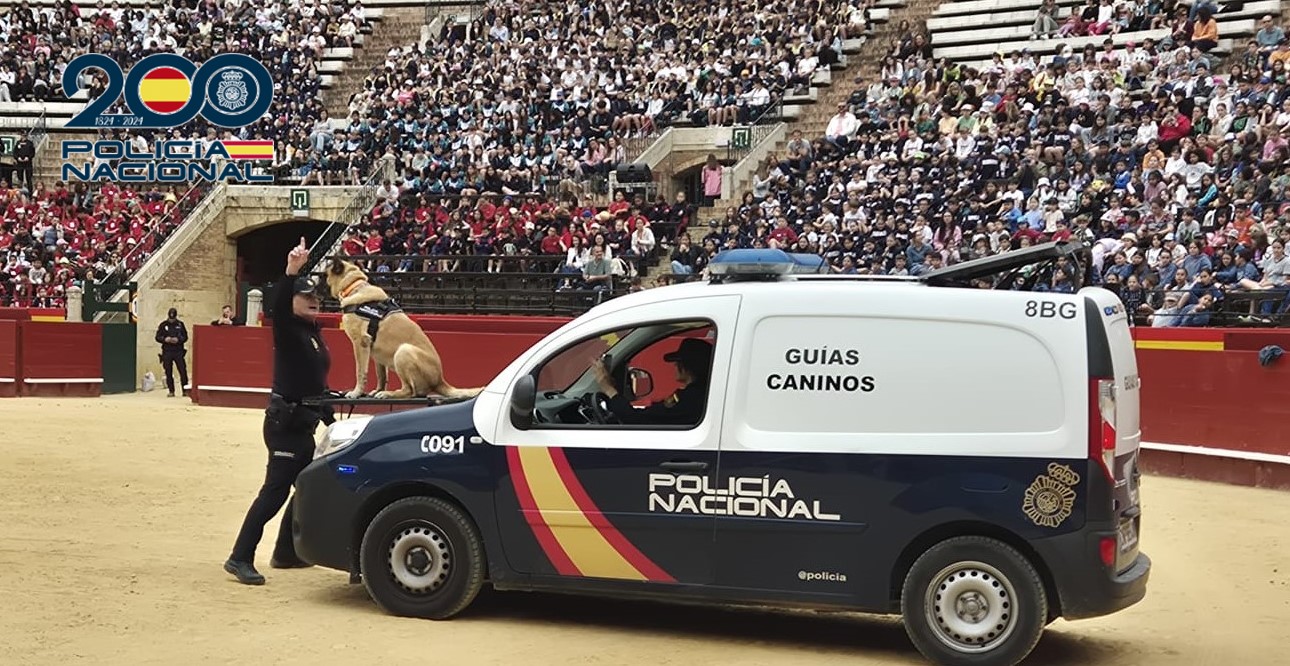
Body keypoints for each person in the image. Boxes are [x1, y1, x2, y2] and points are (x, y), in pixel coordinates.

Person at [225, 238, 335, 586]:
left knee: (306, 486)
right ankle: (239, 557)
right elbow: (278, 306)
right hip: (285, 425)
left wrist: (331, 417)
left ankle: (285, 552)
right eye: (306, 296)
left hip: (304, 423)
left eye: (316, 296)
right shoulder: (287, 329)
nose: (314, 300)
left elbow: (314, 383)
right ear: (291, 301)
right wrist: (290, 272)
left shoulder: (312, 333)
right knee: (275, 492)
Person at [592, 337, 713, 425]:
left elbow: (635, 419)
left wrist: (609, 390)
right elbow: (652, 414)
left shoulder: (691, 399)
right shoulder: (700, 395)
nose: (675, 365)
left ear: (690, 366)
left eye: (679, 361)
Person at [155, 308, 188, 397]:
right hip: (167, 351)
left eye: (173, 318)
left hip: (178, 351)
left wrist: (178, 340)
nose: (171, 320)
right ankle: (171, 391)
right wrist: (165, 339)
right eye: (170, 318)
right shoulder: (163, 325)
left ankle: (185, 390)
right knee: (168, 371)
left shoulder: (180, 325)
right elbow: (157, 337)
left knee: (182, 371)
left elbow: (185, 337)